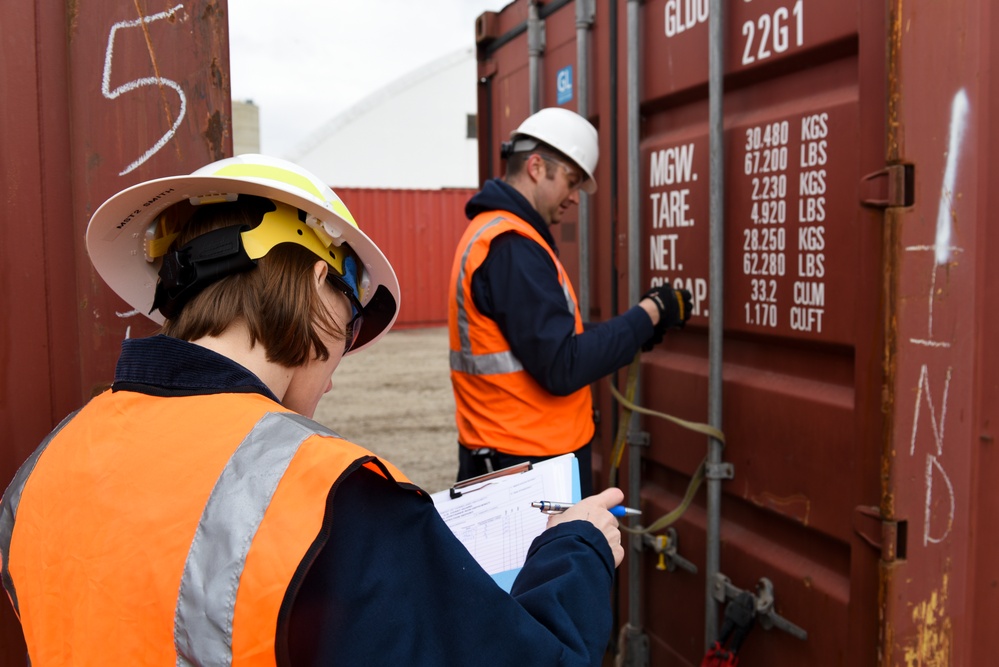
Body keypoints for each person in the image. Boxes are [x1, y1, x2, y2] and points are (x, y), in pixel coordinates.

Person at [0, 154, 626, 666]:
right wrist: (577, 550)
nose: (339, 365)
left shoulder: (40, 471)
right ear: (316, 285)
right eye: (352, 321)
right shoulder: (331, 498)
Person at [449, 107, 692, 497]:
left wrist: (637, 331)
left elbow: (548, 341)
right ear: (535, 167)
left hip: (519, 460)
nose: (575, 198)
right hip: (526, 471)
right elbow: (562, 364)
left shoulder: (501, 236)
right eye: (571, 181)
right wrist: (648, 314)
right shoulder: (512, 247)